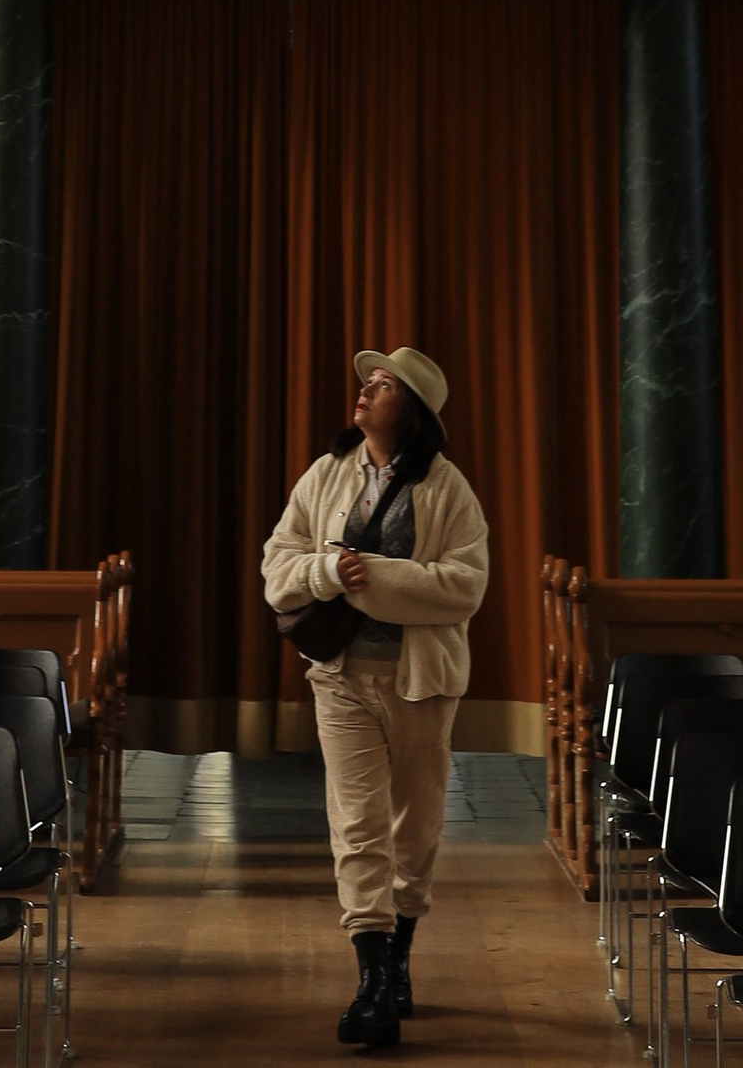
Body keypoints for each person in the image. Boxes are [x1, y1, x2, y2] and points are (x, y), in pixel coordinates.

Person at [262, 343, 490, 1052]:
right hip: (340, 677)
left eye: (384, 385)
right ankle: (371, 982)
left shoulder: (448, 487)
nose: (365, 390)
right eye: (368, 381)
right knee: (358, 824)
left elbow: (464, 586)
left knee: (413, 827)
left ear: (412, 411)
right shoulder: (327, 472)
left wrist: (373, 578)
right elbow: (277, 566)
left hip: (422, 683)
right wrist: (329, 572)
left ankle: (398, 958)